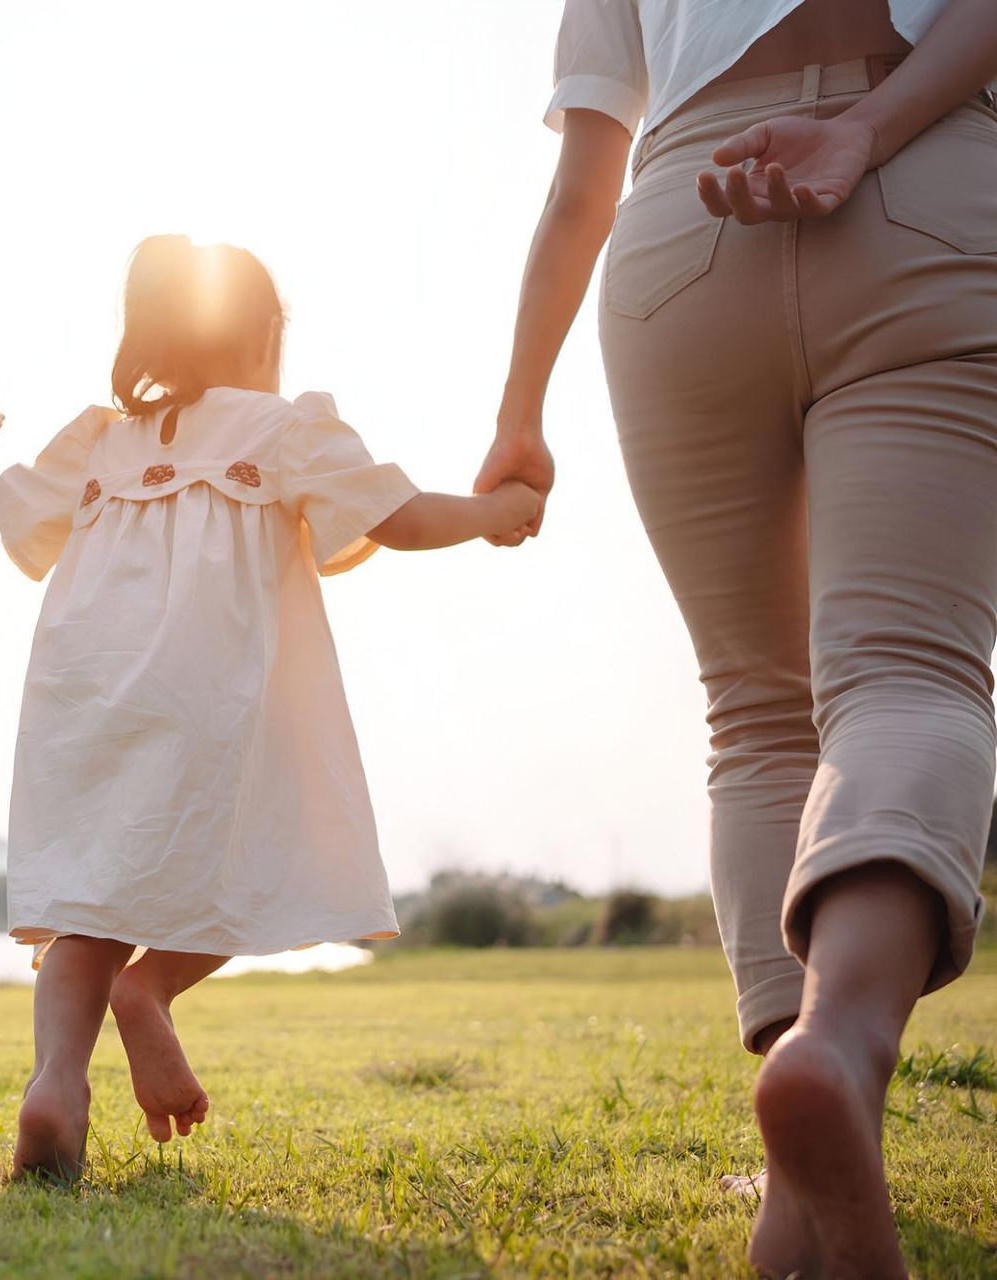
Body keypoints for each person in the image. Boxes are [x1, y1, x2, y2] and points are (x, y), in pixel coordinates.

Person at [478, 0, 997, 1271]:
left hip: (678, 224)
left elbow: (580, 180)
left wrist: (517, 411)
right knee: (909, 672)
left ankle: (797, 1188)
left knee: (755, 712)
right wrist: (864, 129)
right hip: (920, 167)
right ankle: (839, 1044)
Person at [0, 236, 542, 1179]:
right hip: (213, 692)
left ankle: (56, 1082)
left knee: (86, 897)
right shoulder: (284, 429)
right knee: (264, 839)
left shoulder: (98, 440)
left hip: (84, 693)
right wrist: (493, 513)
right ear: (262, 334)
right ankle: (154, 989)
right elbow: (401, 516)